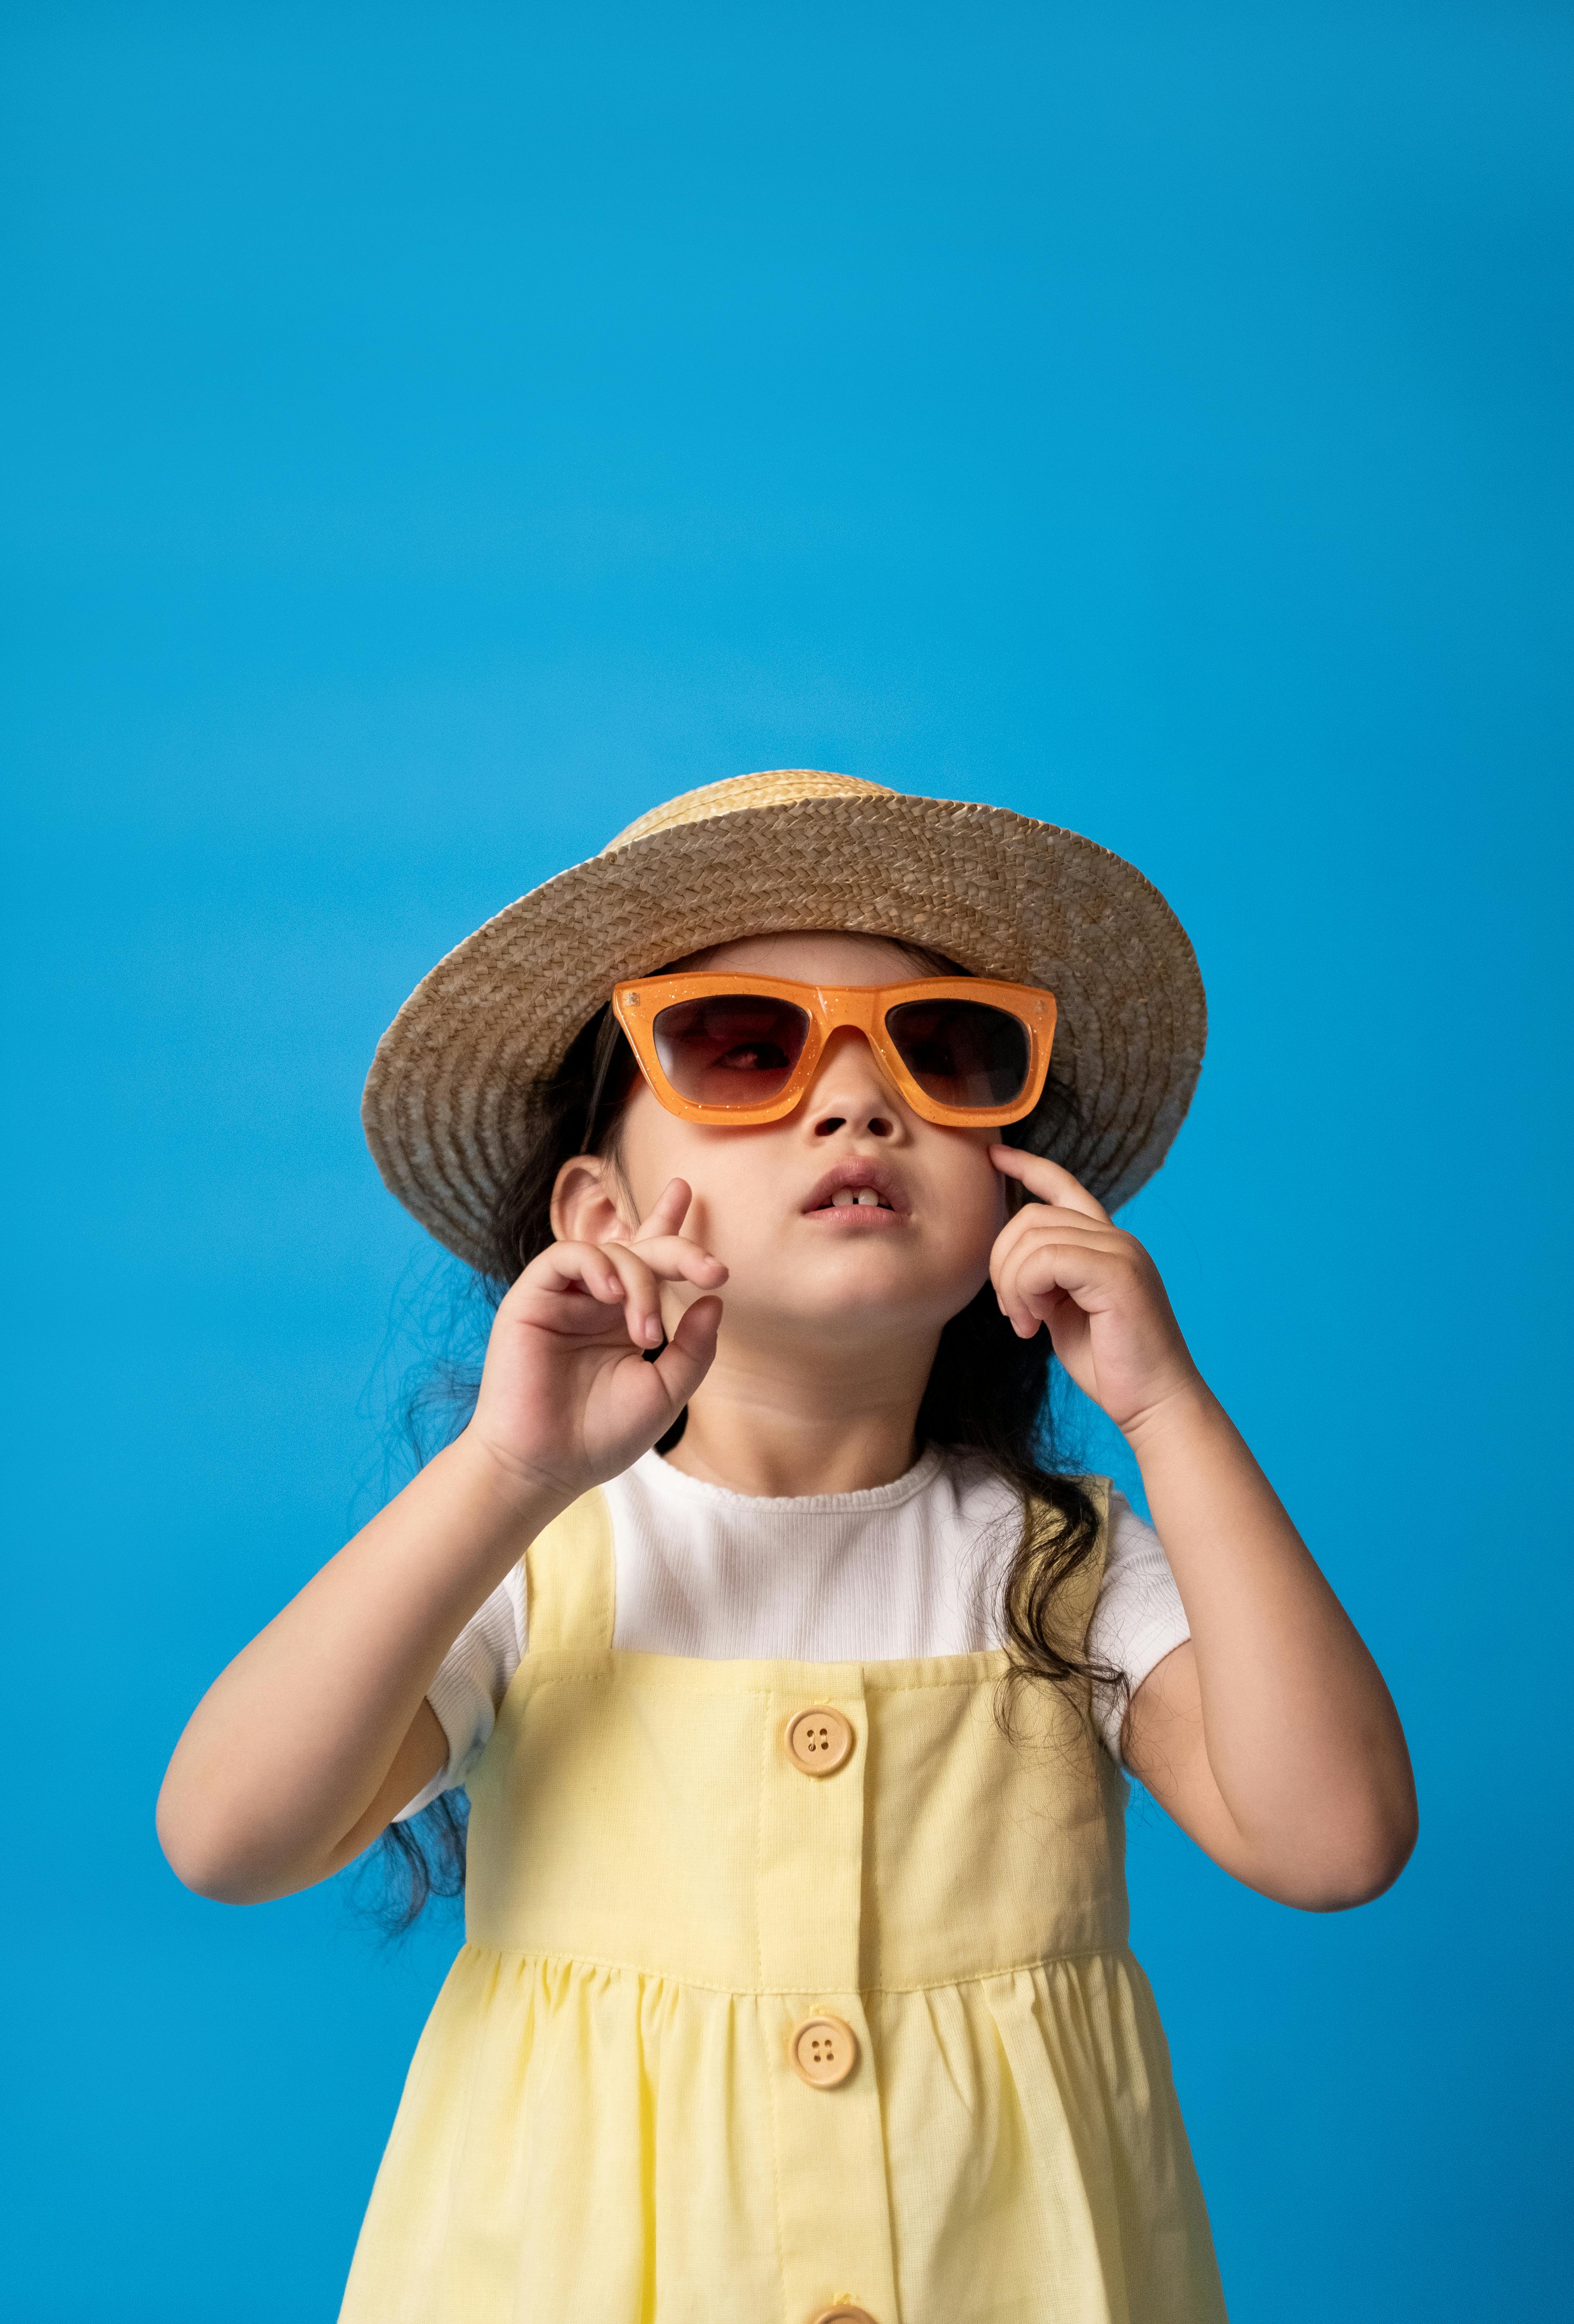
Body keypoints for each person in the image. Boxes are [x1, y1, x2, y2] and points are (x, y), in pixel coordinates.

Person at [158, 770, 1417, 2323]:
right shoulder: (537, 1560)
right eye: (744, 1048)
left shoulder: (1063, 1563)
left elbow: (1336, 1838)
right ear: (597, 1206)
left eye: (940, 1052)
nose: (856, 1098)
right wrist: (504, 1470)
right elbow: (225, 1833)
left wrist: (1165, 1406)